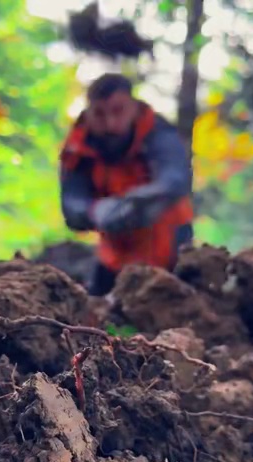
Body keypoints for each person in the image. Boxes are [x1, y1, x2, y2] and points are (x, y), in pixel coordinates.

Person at [58, 73, 194, 297]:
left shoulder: (158, 131)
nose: (110, 123)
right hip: (115, 257)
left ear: (133, 107)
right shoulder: (77, 148)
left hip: (172, 252)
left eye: (118, 111)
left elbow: (175, 178)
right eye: (100, 114)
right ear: (88, 112)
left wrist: (142, 200)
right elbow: (71, 204)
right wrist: (95, 212)